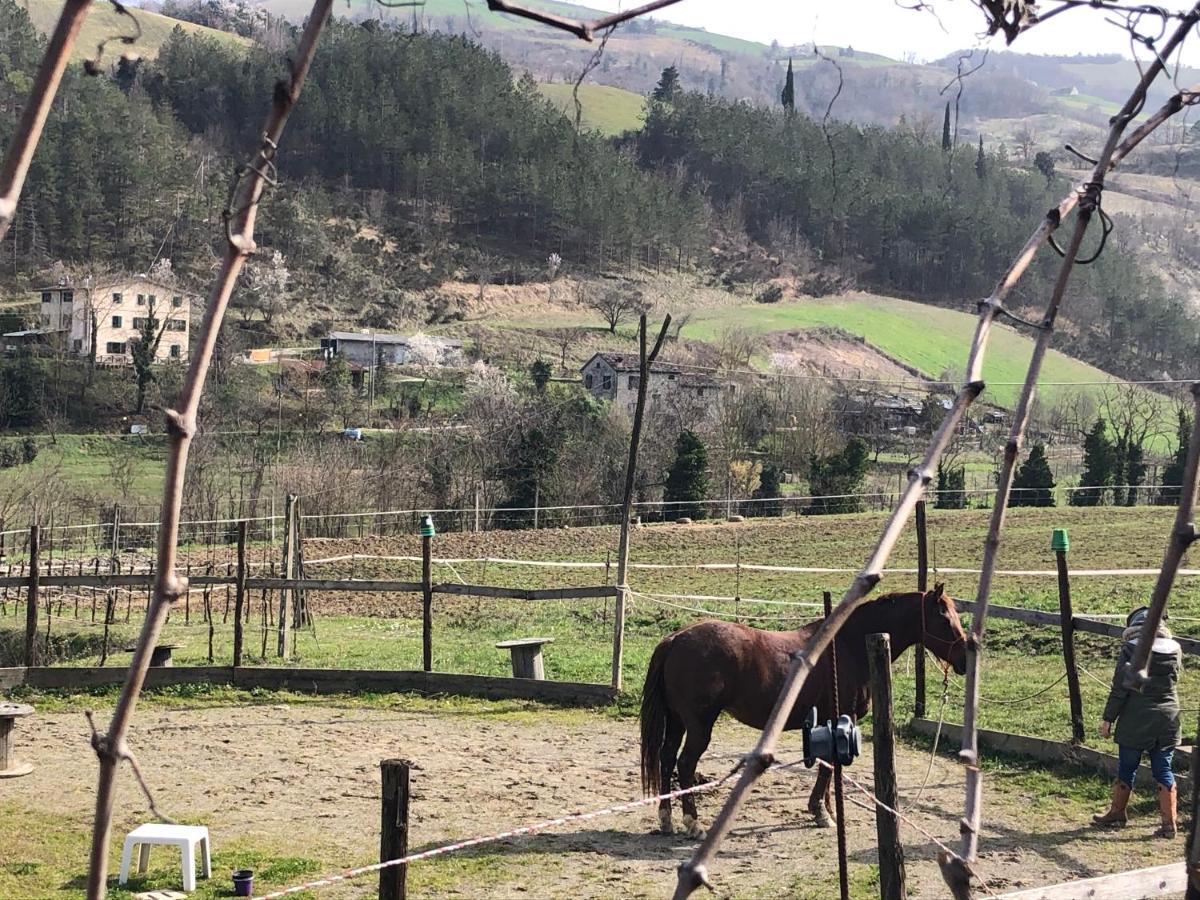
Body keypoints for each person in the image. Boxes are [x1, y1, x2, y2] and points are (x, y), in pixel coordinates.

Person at [1092, 606, 1182, 837]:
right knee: (1163, 768)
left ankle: (1117, 812)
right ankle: (1169, 823)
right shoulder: (1175, 649)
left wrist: (1108, 718)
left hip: (1136, 717)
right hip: (1168, 717)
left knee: (1127, 765)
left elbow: (1120, 687)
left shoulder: (1131, 649)